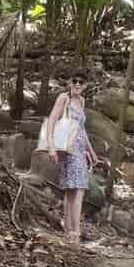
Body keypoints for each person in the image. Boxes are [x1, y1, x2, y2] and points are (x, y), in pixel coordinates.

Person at [44, 73, 101, 245]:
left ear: (85, 86)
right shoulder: (64, 98)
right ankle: (76, 233)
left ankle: (69, 232)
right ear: (70, 83)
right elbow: (52, 120)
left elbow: (82, 129)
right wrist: (51, 146)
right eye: (74, 80)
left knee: (71, 190)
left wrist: (91, 152)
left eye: (80, 82)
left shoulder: (82, 101)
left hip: (80, 149)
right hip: (68, 149)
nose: (76, 84)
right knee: (78, 189)